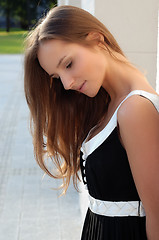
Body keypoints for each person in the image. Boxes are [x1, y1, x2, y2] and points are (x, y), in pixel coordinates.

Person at [24, 5, 159, 240]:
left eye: (68, 64)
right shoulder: (107, 105)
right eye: (57, 78)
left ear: (97, 39)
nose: (66, 84)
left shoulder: (135, 109)